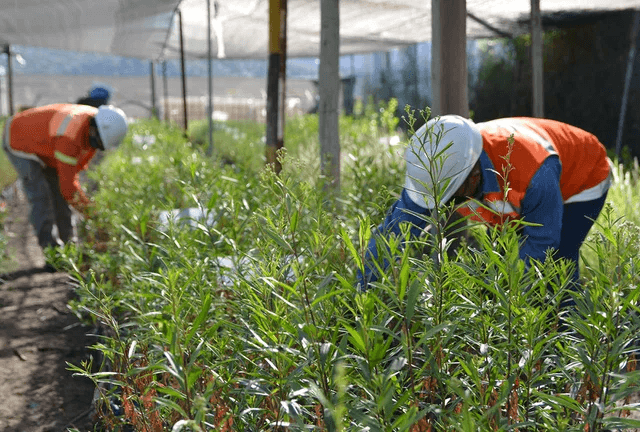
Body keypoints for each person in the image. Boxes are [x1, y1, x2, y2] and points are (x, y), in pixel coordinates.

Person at [358, 115, 612, 295]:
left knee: (559, 261)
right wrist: (364, 289)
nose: (443, 204)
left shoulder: (535, 172)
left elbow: (543, 243)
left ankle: (566, 337)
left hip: (582, 177)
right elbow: (394, 231)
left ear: (474, 176)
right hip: (519, 187)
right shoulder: (438, 170)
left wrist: (496, 290)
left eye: (450, 195)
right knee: (506, 252)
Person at [2, 103, 128, 255]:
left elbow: (73, 172)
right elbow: (69, 189)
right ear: (96, 131)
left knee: (59, 193)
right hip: (19, 139)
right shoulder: (70, 136)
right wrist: (94, 216)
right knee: (40, 195)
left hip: (48, 144)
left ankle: (69, 246)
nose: (97, 148)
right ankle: (51, 251)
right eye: (99, 143)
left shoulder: (96, 122)